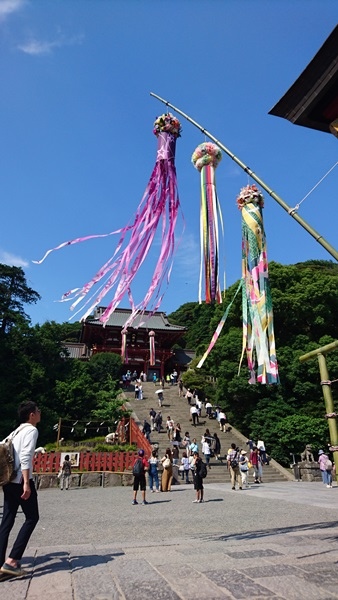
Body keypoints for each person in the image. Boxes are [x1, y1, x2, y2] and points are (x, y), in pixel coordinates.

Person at [0, 401, 41, 578]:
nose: (40, 413)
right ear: (31, 414)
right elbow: (25, 456)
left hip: (8, 480)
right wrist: (26, 482)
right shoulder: (31, 430)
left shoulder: (16, 431)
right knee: (32, 517)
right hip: (19, 481)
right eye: (38, 411)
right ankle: (12, 561)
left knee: (7, 521)